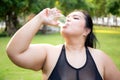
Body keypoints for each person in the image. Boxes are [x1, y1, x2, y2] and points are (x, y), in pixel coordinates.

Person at [6, 8, 120, 80]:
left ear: (86, 31)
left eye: (75, 18)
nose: (68, 19)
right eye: (67, 17)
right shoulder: (49, 53)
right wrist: (40, 18)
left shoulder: (101, 58)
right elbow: (14, 52)